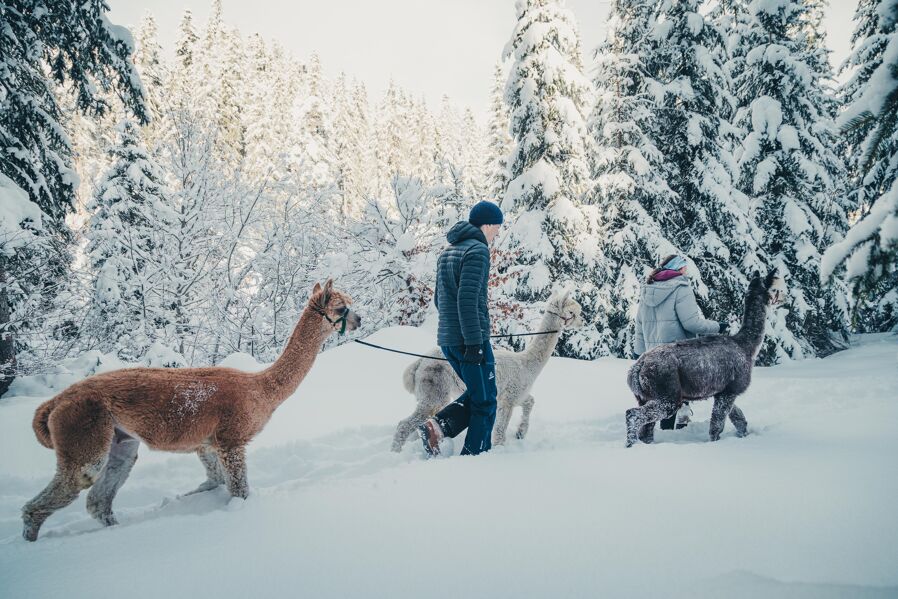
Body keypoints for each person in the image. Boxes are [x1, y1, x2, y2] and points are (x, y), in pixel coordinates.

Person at [418, 201, 503, 456]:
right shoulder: (477, 251)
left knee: (483, 393)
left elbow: (439, 300)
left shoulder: (448, 252)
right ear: (486, 224)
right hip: (470, 340)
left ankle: (438, 426)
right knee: (485, 402)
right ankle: (475, 458)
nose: (496, 234)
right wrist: (475, 342)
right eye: (496, 228)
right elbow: (467, 301)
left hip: (449, 340)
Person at [633, 255, 727, 430]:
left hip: (652, 355)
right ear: (678, 269)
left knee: (660, 396)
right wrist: (717, 327)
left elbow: (639, 325)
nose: (686, 270)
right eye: (684, 267)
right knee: (676, 395)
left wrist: (638, 353)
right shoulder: (681, 288)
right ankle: (672, 435)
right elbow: (691, 323)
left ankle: (662, 431)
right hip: (677, 354)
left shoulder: (648, 289)